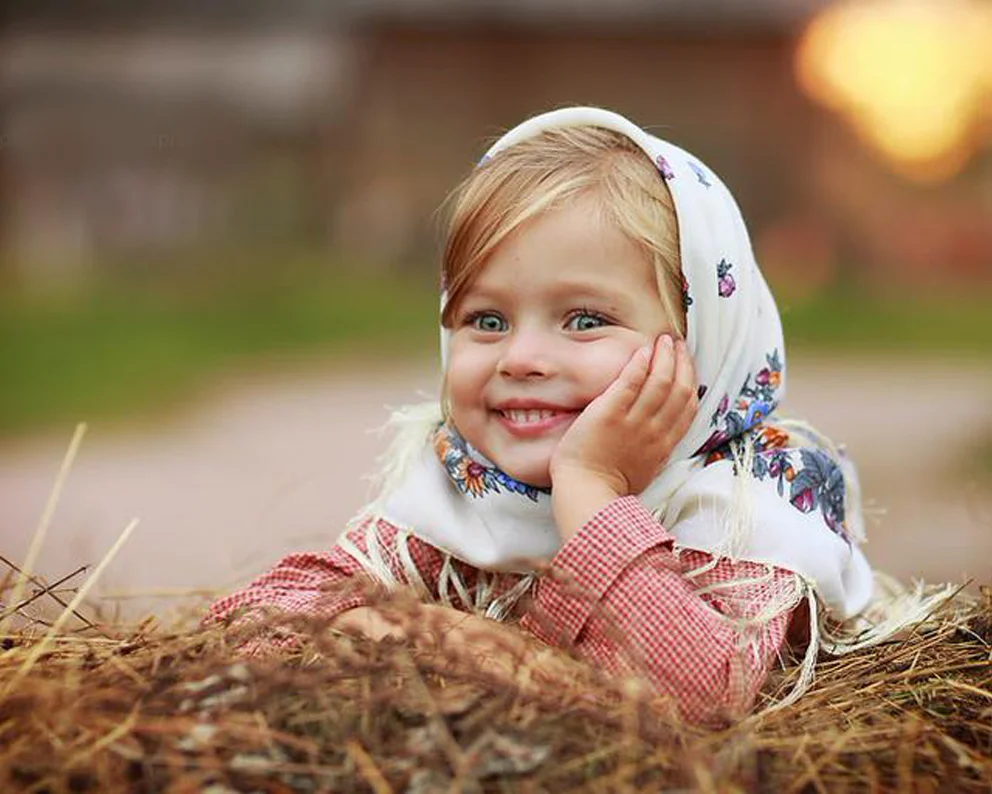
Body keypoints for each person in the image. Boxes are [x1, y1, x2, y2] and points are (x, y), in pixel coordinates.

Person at [205, 107, 938, 725]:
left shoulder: (749, 509)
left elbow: (702, 704)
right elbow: (240, 632)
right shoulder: (466, 493)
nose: (521, 357)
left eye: (585, 319)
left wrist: (590, 492)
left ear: (703, 340)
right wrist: (357, 627)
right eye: (485, 320)